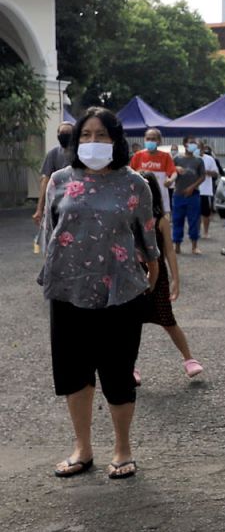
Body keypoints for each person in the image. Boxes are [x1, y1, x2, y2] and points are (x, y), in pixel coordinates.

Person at [39, 107, 158, 480]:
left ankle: (123, 449)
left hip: (120, 291)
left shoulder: (135, 184)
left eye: (102, 135)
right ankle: (83, 448)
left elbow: (147, 234)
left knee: (118, 371)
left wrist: (155, 270)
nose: (93, 142)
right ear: (75, 142)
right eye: (86, 135)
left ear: (116, 140)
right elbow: (50, 232)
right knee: (74, 371)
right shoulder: (59, 179)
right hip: (69, 289)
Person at [135, 169, 204, 381]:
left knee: (167, 319)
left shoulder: (161, 220)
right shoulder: (126, 217)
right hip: (133, 275)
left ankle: (189, 359)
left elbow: (170, 252)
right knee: (131, 323)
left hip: (159, 275)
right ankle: (130, 366)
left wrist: (176, 280)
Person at [32, 121, 75, 227]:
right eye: (62, 132)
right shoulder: (53, 154)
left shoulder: (80, 154)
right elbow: (45, 181)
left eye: (68, 133)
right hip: (57, 203)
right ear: (58, 135)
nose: (65, 135)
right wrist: (39, 209)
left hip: (76, 203)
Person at [171, 136, 207, 256]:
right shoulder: (177, 159)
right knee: (177, 220)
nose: (193, 145)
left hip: (193, 195)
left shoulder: (198, 160)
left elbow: (202, 176)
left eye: (195, 143)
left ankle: (194, 246)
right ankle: (177, 245)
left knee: (194, 220)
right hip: (178, 194)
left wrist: (192, 187)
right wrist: (175, 168)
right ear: (185, 144)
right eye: (191, 143)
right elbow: (169, 171)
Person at [129, 128, 177, 212]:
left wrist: (170, 180)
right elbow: (129, 173)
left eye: (153, 139)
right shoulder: (138, 155)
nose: (150, 141)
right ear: (144, 139)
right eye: (148, 139)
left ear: (159, 141)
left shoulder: (165, 156)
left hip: (160, 197)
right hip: (141, 197)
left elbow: (173, 172)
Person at [197, 143, 220, 239]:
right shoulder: (190, 159)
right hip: (193, 189)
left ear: (203, 149)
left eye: (199, 148)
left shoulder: (209, 159)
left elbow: (216, 173)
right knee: (194, 213)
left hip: (205, 190)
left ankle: (205, 232)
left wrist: (206, 172)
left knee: (205, 213)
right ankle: (195, 231)